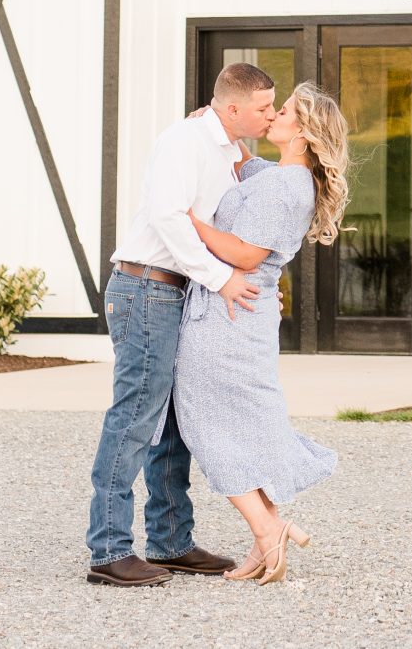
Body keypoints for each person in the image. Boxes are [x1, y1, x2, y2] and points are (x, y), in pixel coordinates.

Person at [84, 63, 273, 587]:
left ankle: (171, 543)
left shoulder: (227, 147)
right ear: (232, 107)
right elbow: (169, 216)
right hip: (146, 287)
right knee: (136, 417)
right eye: (263, 108)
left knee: (172, 423)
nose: (271, 115)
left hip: (174, 291)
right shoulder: (183, 141)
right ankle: (108, 550)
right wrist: (220, 278)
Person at [173, 80, 351, 583]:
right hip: (236, 311)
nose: (273, 114)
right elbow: (237, 162)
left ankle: (267, 530)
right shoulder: (276, 176)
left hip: (230, 316)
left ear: (305, 131)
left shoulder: (286, 187)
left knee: (206, 423)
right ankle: (268, 533)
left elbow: (248, 254)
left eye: (285, 110)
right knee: (236, 423)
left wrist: (187, 221)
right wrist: (212, 122)